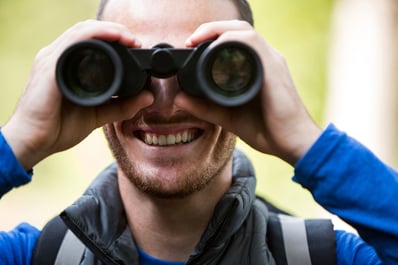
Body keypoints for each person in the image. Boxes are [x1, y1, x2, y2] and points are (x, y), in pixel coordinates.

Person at [0, 0, 397, 264]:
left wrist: (307, 143)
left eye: (208, 68)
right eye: (128, 69)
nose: (163, 103)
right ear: (92, 80)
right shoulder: (33, 256)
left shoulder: (318, 257)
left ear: (253, 78)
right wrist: (20, 139)